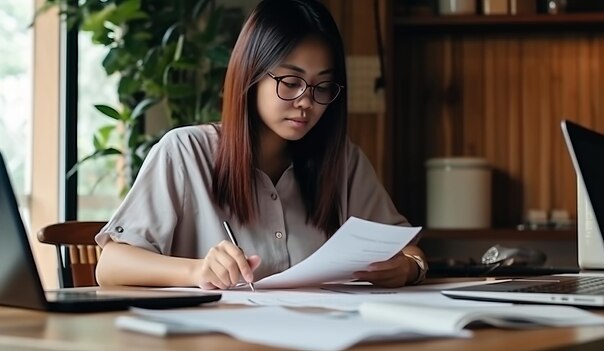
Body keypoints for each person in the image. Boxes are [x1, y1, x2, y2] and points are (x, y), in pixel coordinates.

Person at [94, 0, 427, 290]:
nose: (306, 102)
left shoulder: (342, 161)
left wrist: (409, 268)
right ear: (250, 75)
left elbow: (407, 248)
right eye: (291, 82)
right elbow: (110, 265)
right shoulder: (184, 152)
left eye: (322, 86)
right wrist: (196, 270)